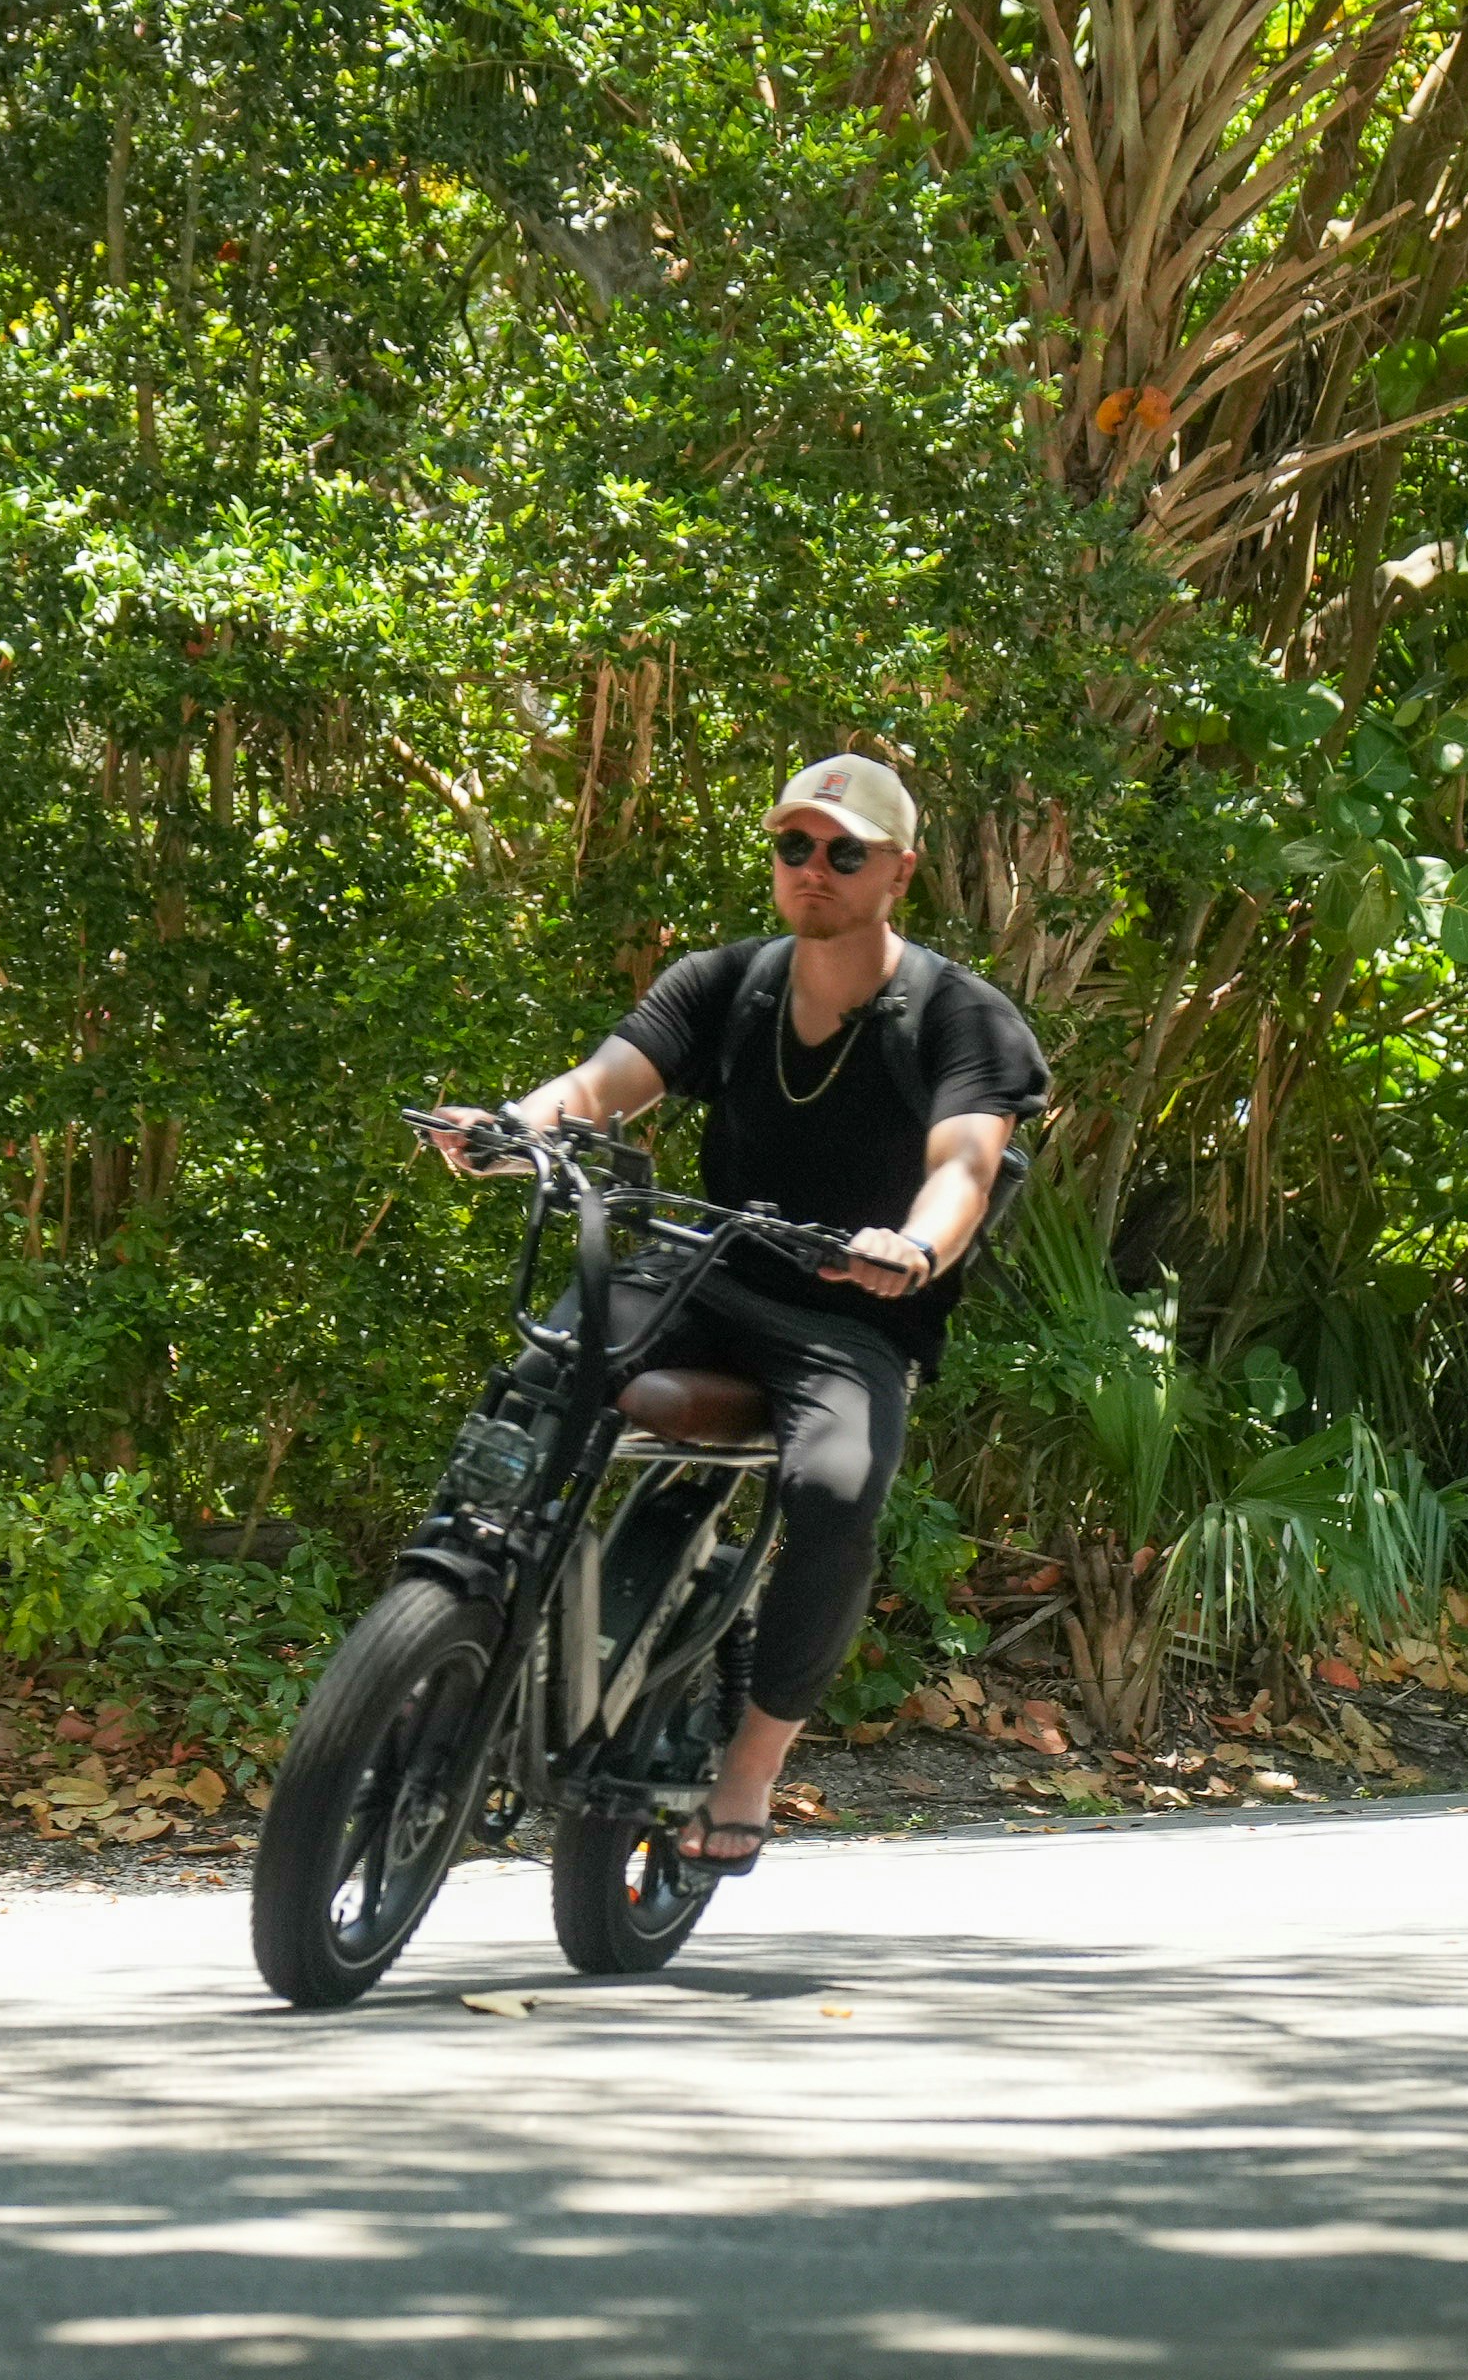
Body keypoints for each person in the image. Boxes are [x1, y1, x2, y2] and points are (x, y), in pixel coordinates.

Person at [440, 752, 1049, 1869]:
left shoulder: (964, 1017)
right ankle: (458, 1606)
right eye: (793, 846)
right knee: (542, 1366)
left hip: (849, 1318)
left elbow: (964, 1164)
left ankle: (752, 1768)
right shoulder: (723, 981)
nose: (812, 867)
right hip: (704, 1277)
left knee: (836, 1487)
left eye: (843, 851)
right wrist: (514, 1125)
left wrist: (912, 1247)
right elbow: (599, 1083)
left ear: (897, 871)